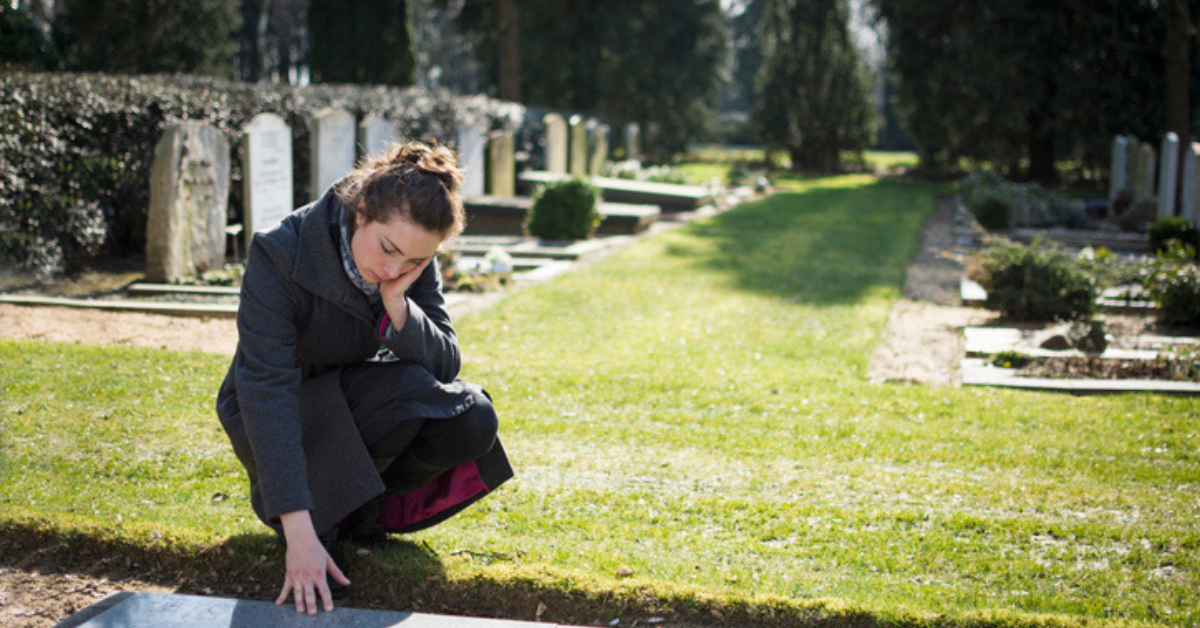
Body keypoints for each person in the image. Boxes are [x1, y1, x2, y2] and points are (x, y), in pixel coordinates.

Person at [216, 140, 512, 615]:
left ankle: (358, 510)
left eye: (414, 262)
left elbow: (445, 362)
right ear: (359, 211)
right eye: (388, 249)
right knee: (407, 391)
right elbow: (267, 394)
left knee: (472, 416)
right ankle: (318, 519)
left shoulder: (411, 253)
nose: (394, 268)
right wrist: (299, 533)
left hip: (360, 400)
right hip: (281, 412)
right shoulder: (279, 252)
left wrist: (398, 304)